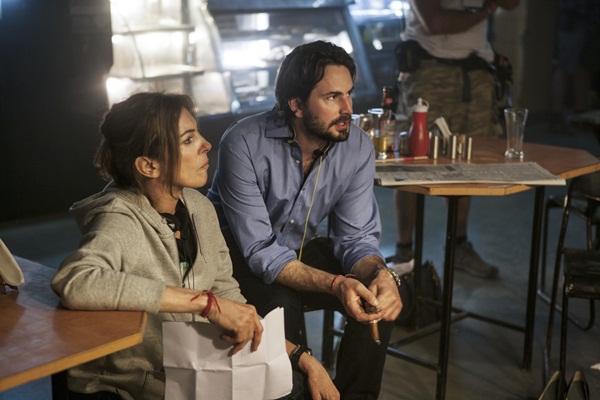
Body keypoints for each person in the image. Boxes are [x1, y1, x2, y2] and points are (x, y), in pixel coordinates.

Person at [51, 92, 338, 400]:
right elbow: (75, 281)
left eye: (197, 133)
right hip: (133, 387)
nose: (206, 144)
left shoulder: (198, 207)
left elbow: (228, 297)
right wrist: (204, 304)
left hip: (191, 370)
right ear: (149, 165)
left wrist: (301, 357)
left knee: (298, 384)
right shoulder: (119, 218)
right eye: (188, 140)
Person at [207, 40, 403, 400]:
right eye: (332, 97)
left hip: (297, 249)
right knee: (282, 303)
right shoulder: (243, 142)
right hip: (235, 260)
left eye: (349, 94)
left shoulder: (357, 146)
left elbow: (356, 238)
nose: (348, 109)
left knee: (374, 295)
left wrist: (380, 274)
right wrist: (336, 284)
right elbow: (261, 252)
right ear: (295, 105)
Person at [393, 0, 519, 278]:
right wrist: (487, 9)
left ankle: (458, 246)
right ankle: (404, 252)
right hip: (428, 69)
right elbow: (436, 23)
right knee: (412, 161)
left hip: (476, 69)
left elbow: (512, 4)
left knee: (466, 162)